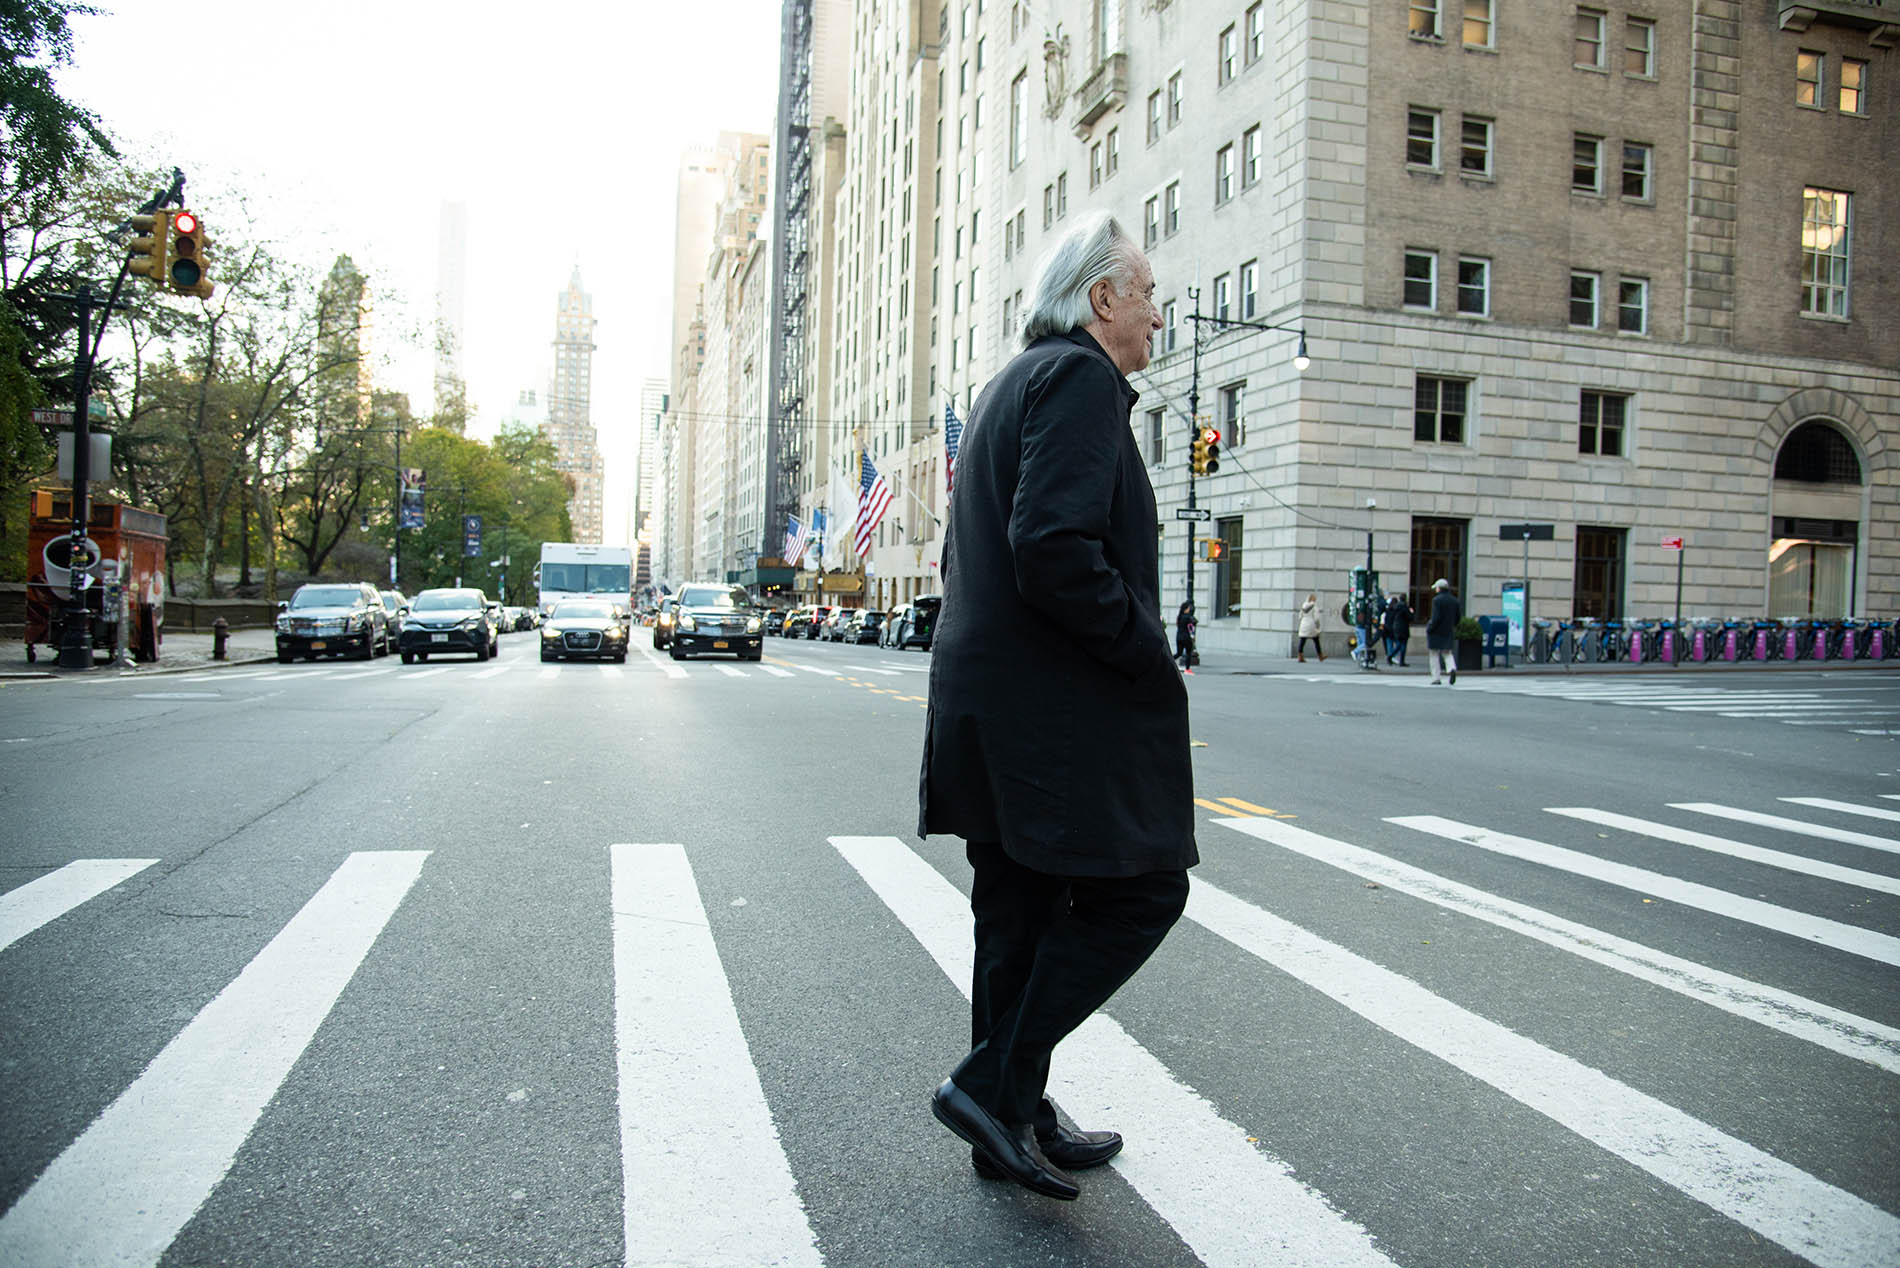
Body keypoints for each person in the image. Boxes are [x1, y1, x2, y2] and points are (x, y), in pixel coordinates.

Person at [918, 211, 1195, 1203]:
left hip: (987, 705)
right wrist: (1144, 650)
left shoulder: (1007, 383)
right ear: (1103, 295)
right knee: (1144, 889)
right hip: (1046, 709)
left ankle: (1010, 1105)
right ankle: (993, 1081)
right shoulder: (1077, 378)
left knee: (1020, 911)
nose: (1158, 316)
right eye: (1149, 293)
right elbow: (1051, 544)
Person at [1425, 577, 1462, 684]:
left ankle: (1436, 678)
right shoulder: (1454, 601)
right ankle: (1451, 668)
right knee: (1447, 652)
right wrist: (1452, 625)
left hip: (1436, 631)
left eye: (1436, 588)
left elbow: (1436, 617)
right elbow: (1458, 618)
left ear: (1439, 588)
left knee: (1434, 654)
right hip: (1448, 630)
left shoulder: (1437, 600)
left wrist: (1430, 628)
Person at [1382, 590, 1412, 667]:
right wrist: (1411, 612)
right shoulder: (1404, 607)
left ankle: (1391, 656)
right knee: (1402, 645)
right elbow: (1409, 617)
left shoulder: (1395, 607)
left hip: (1396, 627)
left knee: (1399, 644)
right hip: (1403, 628)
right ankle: (1398, 659)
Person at [1296, 593, 1325, 662]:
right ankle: (1320, 656)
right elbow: (1316, 618)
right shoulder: (1314, 606)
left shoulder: (1304, 605)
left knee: (1302, 640)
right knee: (1316, 640)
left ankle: (1300, 656)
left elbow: (1300, 616)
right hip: (1311, 624)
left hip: (1303, 624)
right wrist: (1318, 626)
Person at [1175, 600, 1197, 672]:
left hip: (1179, 637)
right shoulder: (1187, 617)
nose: (1189, 610)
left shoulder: (1179, 617)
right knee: (1188, 653)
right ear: (1185, 609)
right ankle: (1187, 669)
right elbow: (1194, 621)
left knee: (1179, 653)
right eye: (1188, 608)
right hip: (1186, 637)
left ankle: (1169, 660)